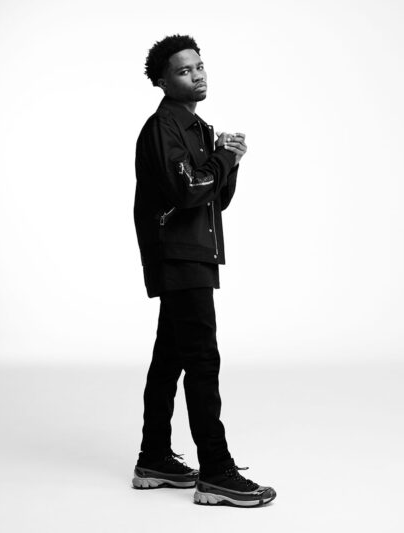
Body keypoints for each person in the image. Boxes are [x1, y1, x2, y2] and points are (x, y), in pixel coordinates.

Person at [131, 34, 276, 508]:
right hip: (178, 255)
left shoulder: (198, 128)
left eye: (199, 66)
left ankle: (154, 458)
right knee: (202, 361)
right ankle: (215, 471)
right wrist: (222, 158)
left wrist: (231, 162)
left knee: (170, 358)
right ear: (162, 81)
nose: (197, 75)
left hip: (193, 253)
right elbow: (188, 190)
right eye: (183, 70)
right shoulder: (163, 127)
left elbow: (215, 200)